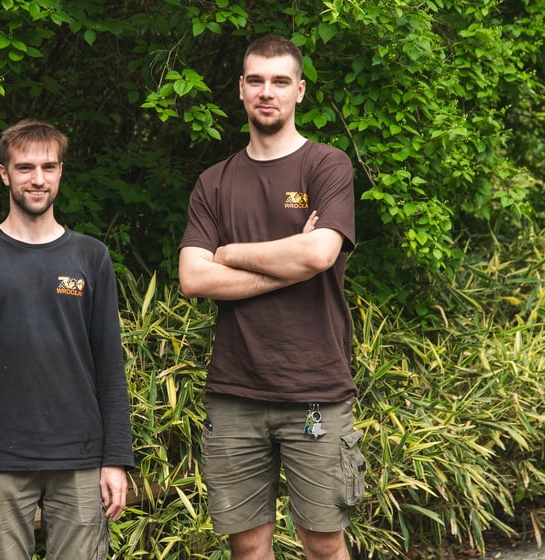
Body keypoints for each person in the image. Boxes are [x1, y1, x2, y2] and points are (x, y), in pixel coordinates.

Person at [178, 35, 366, 560]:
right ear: (240, 89)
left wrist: (231, 252)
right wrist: (291, 260)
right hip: (236, 389)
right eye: (256, 80)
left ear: (299, 91)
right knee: (248, 545)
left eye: (280, 82)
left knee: (324, 544)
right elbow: (193, 278)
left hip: (315, 388)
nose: (268, 92)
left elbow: (319, 256)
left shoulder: (327, 166)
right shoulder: (214, 183)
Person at [0, 119, 134, 559]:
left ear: (61, 172)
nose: (38, 179)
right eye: (25, 167)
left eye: (48, 167)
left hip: (82, 457)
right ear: (4, 174)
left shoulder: (91, 257)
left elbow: (109, 365)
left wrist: (116, 458)